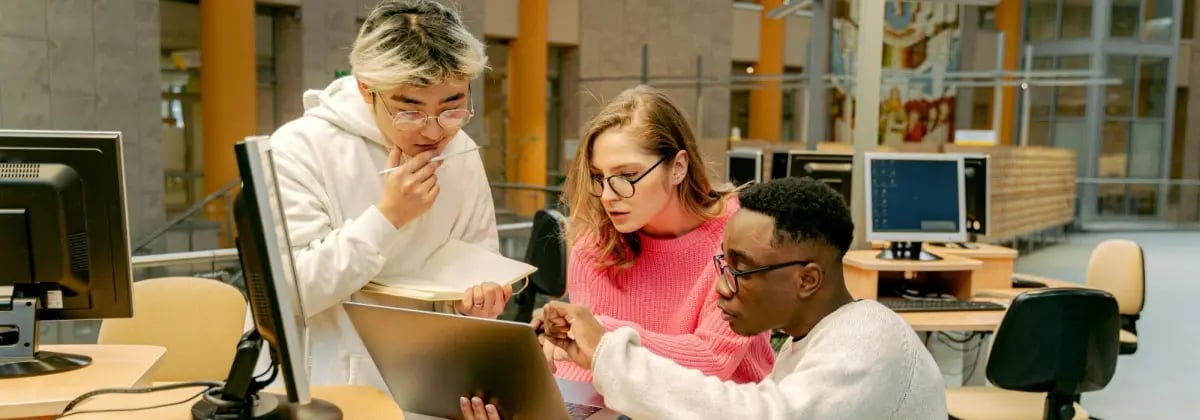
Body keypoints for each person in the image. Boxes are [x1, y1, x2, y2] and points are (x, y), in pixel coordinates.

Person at [526, 177, 948, 420]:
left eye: (741, 269)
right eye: (722, 264)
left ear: (807, 280)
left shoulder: (868, 344)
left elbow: (755, 416)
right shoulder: (814, 338)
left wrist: (608, 352)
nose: (722, 287)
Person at [267, 0, 510, 390]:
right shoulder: (299, 147)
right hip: (327, 384)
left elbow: (482, 260)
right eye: (409, 110)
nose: (433, 132)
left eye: (452, 107)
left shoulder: (461, 147)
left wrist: (480, 301)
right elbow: (291, 292)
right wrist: (388, 217)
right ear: (367, 89)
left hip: (432, 376)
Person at [538, 85, 775, 385]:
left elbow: (712, 362)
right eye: (599, 178)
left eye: (627, 176)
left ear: (678, 167)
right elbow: (589, 368)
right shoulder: (595, 246)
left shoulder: (741, 235)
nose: (608, 195)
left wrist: (603, 335)